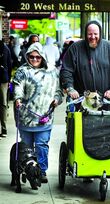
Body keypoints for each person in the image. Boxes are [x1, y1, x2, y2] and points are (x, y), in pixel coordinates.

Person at [13, 42, 63, 183]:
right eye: (31, 57)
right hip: (26, 117)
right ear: (27, 56)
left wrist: (56, 100)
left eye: (37, 57)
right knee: (27, 147)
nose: (34, 60)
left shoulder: (52, 71)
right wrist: (17, 98)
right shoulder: (22, 71)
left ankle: (41, 170)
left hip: (44, 117)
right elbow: (18, 87)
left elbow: (58, 91)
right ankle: (26, 169)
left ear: (43, 58)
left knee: (42, 145)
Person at [60, 20, 110, 101]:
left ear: (100, 34)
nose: (93, 37)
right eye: (90, 34)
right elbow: (66, 70)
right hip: (80, 100)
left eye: (95, 34)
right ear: (85, 34)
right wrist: (70, 88)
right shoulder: (75, 48)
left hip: (106, 100)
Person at [0, 40, 12, 138]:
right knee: (3, 104)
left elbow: (9, 65)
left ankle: (4, 127)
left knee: (3, 104)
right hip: (4, 78)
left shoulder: (5, 48)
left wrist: (8, 79)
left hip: (3, 79)